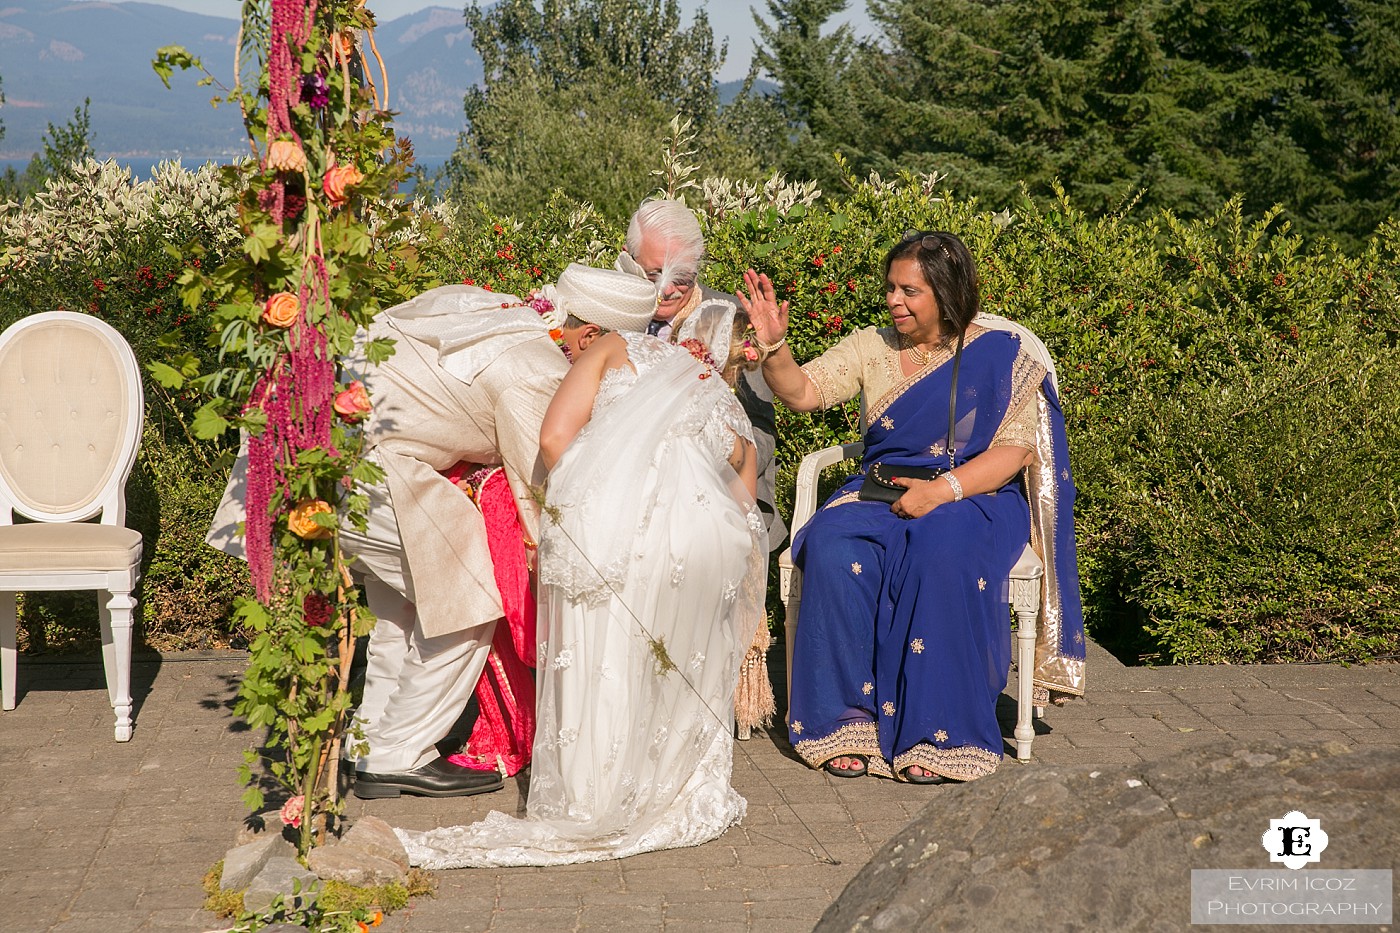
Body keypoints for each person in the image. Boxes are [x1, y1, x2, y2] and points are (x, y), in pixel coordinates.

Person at [206, 264, 658, 799]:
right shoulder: (537, 372)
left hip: (299, 443)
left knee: (408, 600)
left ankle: (374, 745)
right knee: (472, 597)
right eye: (613, 360)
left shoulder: (493, 308)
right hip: (353, 462)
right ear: (589, 337)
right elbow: (539, 491)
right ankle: (399, 752)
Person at [395, 292, 770, 867]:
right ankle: (667, 786)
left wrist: (588, 494)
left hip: (617, 534)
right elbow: (742, 500)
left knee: (608, 658)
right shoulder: (725, 406)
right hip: (704, 545)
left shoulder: (617, 347)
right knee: (673, 665)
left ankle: (593, 793)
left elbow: (552, 440)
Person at [738, 230, 1086, 783]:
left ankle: (937, 733)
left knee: (940, 551)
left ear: (947, 294)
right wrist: (777, 349)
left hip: (974, 496)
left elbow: (1015, 452)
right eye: (891, 288)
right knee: (830, 547)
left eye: (910, 291)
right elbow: (804, 393)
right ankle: (845, 723)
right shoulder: (873, 346)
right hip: (881, 490)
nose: (894, 301)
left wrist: (941, 491)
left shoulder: (1002, 354)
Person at [617, 198, 786, 551]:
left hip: (716, 496)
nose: (666, 289)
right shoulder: (604, 313)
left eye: (681, 277)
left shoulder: (730, 319)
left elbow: (762, 434)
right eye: (653, 273)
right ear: (628, 258)